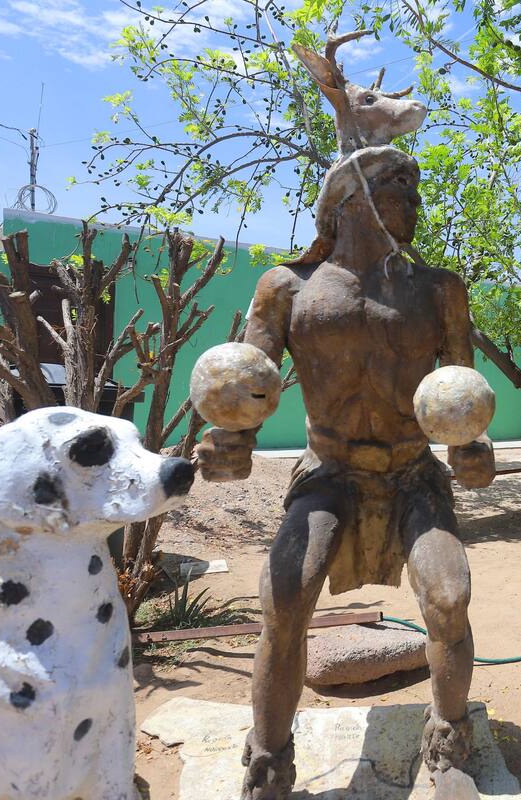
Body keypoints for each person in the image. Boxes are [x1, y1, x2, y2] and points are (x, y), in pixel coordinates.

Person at [195, 146, 495, 800]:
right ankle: (268, 761)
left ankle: (448, 743)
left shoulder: (438, 290)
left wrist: (473, 450)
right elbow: (245, 389)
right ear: (351, 196)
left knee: (449, 596)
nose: (415, 201)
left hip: (412, 472)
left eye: (416, 189)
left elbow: (463, 396)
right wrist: (230, 444)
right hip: (328, 473)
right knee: (286, 597)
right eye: (400, 187)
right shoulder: (286, 288)